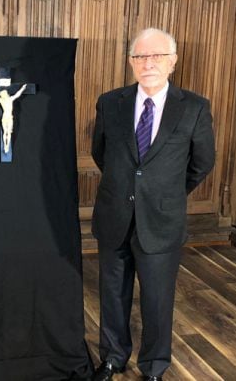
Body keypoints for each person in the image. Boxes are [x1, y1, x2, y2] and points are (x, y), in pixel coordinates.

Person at [90, 28, 215, 381]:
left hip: (161, 220)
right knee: (113, 293)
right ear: (131, 62)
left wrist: (165, 193)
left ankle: (154, 366)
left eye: (157, 55)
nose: (149, 63)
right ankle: (113, 358)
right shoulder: (109, 102)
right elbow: (102, 153)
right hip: (115, 214)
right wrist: (128, 188)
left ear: (172, 62)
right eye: (141, 57)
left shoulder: (193, 107)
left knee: (157, 300)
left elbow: (202, 163)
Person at [0, 83, 27, 153]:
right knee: (5, 132)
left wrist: (22, 89)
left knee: (8, 132)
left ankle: (7, 146)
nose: (6, 94)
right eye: (5, 93)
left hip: (9, 117)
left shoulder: (9, 99)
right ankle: (5, 146)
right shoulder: (2, 100)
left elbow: (17, 94)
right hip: (6, 117)